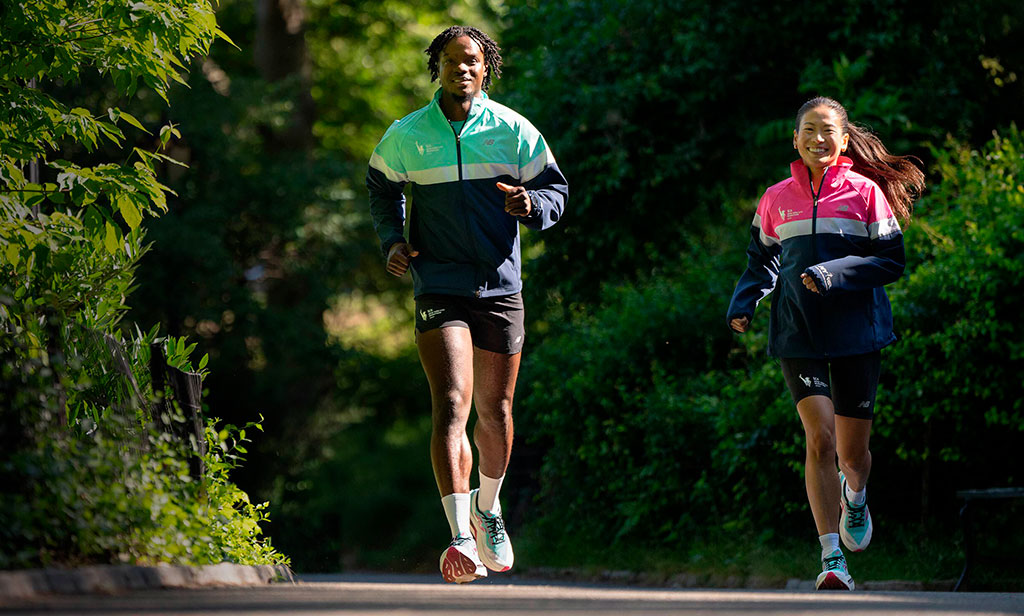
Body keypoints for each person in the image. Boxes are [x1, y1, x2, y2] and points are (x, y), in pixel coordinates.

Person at [366, 26, 567, 584]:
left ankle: (488, 510)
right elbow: (381, 186)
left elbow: (557, 191)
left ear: (486, 69)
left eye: (472, 60)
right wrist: (393, 241)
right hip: (439, 282)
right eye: (452, 60)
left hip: (501, 286)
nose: (462, 68)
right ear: (438, 67)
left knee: (496, 410)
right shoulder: (408, 134)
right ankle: (459, 536)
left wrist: (531, 204)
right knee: (452, 402)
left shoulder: (512, 130)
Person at [726, 96, 924, 591]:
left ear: (842, 139)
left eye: (828, 130)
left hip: (858, 330)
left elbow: (892, 262)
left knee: (853, 456)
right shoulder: (775, 198)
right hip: (799, 332)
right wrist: (744, 302)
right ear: (795, 139)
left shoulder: (865, 194)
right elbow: (762, 261)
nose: (818, 138)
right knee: (820, 440)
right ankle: (832, 558)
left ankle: (855, 497)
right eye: (809, 130)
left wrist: (834, 274)